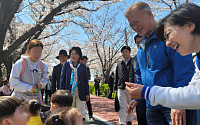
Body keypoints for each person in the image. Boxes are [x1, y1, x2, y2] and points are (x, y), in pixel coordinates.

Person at [125, 3, 200, 125]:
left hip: (172, 104)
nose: (135, 27)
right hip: (152, 105)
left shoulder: (174, 40)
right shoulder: (141, 48)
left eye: (136, 22)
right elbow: (140, 75)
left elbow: (184, 71)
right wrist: (138, 98)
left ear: (149, 14)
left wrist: (179, 103)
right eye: (131, 25)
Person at [60, 47, 89, 120]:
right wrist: (61, 92)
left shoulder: (83, 66)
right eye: (72, 54)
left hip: (80, 91)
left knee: (80, 112)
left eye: (76, 54)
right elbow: (62, 79)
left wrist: (87, 93)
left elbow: (86, 81)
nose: (73, 56)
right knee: (70, 111)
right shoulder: (66, 65)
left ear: (79, 55)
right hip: (69, 91)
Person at [114, 46, 136, 125]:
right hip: (121, 88)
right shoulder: (119, 64)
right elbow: (116, 76)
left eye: (126, 51)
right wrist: (115, 87)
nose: (124, 53)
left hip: (131, 87)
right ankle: (122, 122)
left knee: (131, 105)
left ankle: (129, 120)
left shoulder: (134, 61)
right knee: (122, 106)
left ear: (129, 52)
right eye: (123, 52)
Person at [131, 34, 147, 125]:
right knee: (141, 117)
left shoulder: (153, 54)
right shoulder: (134, 59)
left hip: (151, 92)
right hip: (139, 93)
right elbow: (131, 76)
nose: (140, 44)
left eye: (142, 41)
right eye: (137, 43)